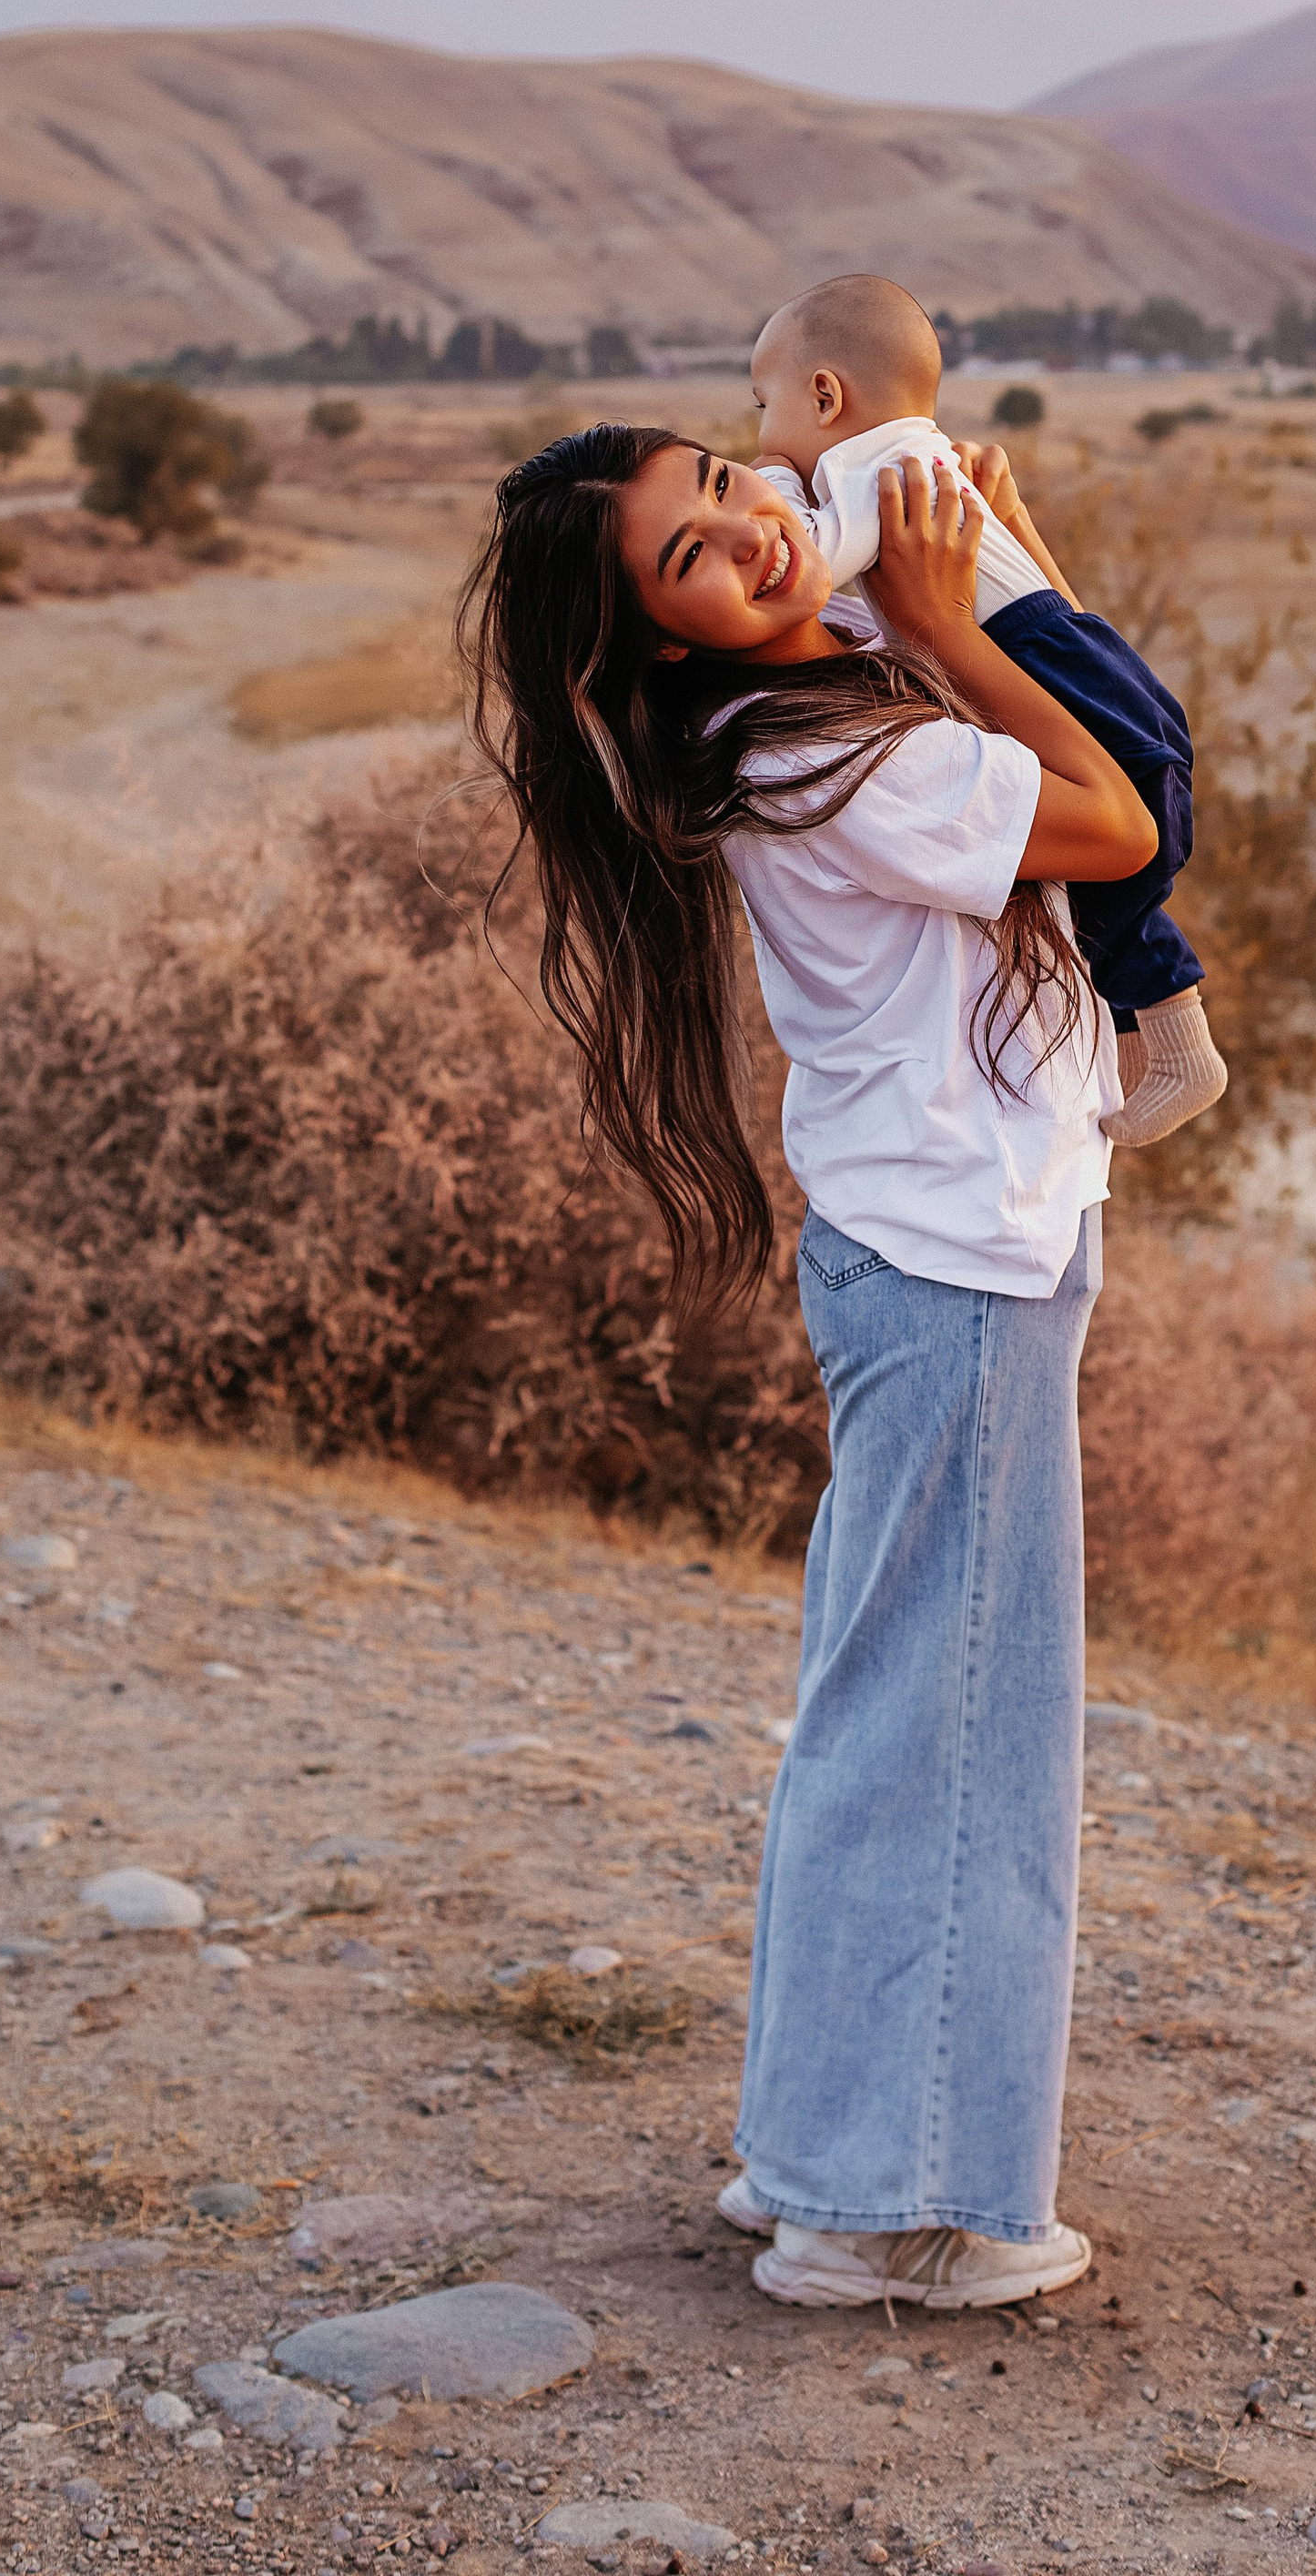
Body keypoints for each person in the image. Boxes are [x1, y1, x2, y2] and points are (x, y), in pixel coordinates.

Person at [461, 419, 1159, 2309]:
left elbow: (867, 497)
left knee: (884, 1714)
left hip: (921, 1250)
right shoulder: (829, 748)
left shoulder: (789, 715)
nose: (749, 541)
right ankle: (895, 2213)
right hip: (955, 1263)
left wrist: (963, 538)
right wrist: (952, 611)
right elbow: (1117, 821)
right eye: (689, 554)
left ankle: (820, 2158)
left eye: (734, 490)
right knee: (959, 1736)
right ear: (655, 642)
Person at [749, 273, 1227, 1147]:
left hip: (1051, 668)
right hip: (1088, 660)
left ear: (825, 395)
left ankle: (1173, 1040)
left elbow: (808, 563)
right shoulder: (926, 457)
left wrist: (772, 478)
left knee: (1078, 885)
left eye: (763, 405)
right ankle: (1163, 1038)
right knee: (1091, 885)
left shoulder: (877, 472)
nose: (762, 435)